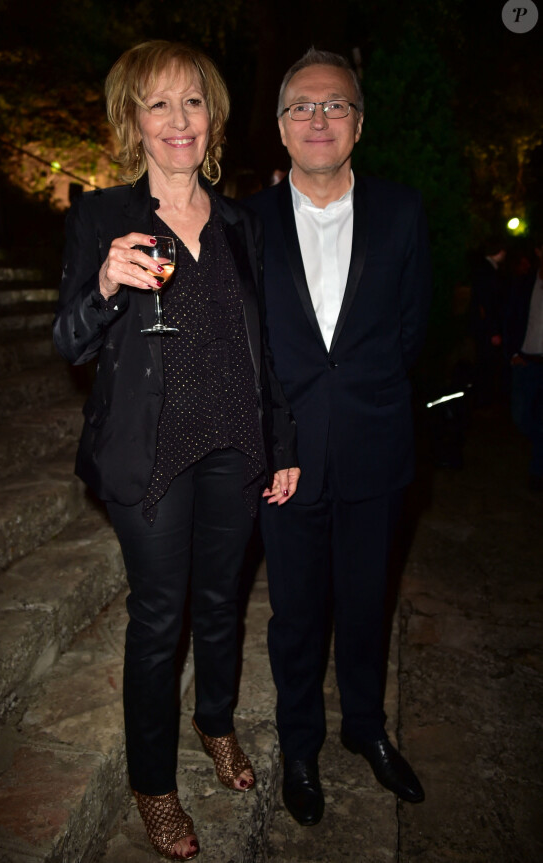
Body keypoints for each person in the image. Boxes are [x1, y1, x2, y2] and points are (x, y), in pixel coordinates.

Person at [53, 40, 299, 860]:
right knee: (160, 618)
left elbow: (260, 344)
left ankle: (218, 721)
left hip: (234, 441)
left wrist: (281, 441)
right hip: (150, 453)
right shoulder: (98, 217)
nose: (179, 119)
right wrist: (103, 286)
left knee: (222, 598)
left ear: (213, 116)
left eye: (192, 101)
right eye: (158, 104)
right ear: (134, 120)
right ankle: (152, 783)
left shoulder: (240, 222)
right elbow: (70, 344)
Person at [245, 48, 431, 826]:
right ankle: (300, 744)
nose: (318, 119)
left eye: (335, 106)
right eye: (302, 107)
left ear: (358, 124)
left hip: (375, 450)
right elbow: (243, 350)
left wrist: (373, 404)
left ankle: (365, 728)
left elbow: (412, 329)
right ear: (282, 129)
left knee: (366, 604)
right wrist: (271, 438)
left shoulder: (403, 211)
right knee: (294, 613)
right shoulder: (244, 223)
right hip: (285, 461)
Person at [505, 238, 543, 491]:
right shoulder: (526, 283)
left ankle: (537, 471)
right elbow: (511, 317)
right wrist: (512, 352)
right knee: (520, 415)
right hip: (526, 361)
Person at [468, 240, 506, 406]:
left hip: (483, 327)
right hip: (486, 328)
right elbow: (487, 303)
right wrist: (493, 330)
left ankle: (484, 398)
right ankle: (484, 399)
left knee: (485, 363)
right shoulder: (488, 271)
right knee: (486, 364)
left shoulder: (484, 269)